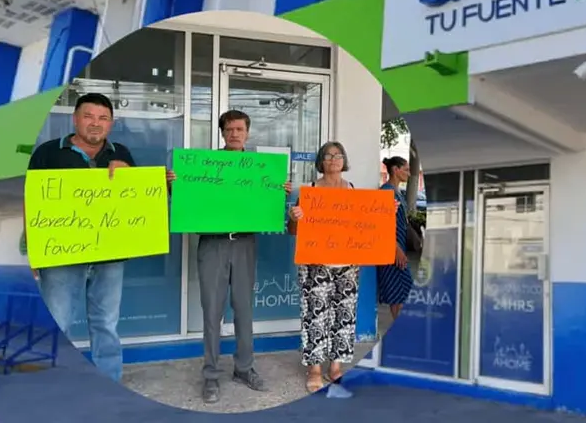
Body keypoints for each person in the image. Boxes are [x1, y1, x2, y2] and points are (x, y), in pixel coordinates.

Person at [166, 109, 292, 404]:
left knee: (244, 309)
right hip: (213, 244)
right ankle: (211, 375)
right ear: (222, 133)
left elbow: (269, 207)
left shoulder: (261, 169)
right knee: (212, 311)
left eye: (239, 129)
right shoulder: (205, 167)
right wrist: (175, 185)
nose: (234, 134)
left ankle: (244, 369)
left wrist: (280, 192)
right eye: (229, 129)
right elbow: (188, 202)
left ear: (247, 132)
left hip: (245, 243)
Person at [25, 93, 137, 383]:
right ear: (75, 118)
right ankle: (48, 387)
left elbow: (138, 203)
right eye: (89, 116)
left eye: (103, 118)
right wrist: (32, 251)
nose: (95, 124)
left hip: (110, 257)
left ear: (111, 123)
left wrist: (134, 177)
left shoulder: (121, 153)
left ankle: (108, 383)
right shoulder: (48, 153)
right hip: (61, 255)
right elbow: (30, 203)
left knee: (106, 325)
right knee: (57, 324)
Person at [288, 141, 360, 398]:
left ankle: (336, 367)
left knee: (344, 316)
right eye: (328, 155)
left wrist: (387, 214)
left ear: (344, 160)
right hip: (315, 264)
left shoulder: (353, 191)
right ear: (321, 161)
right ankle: (315, 371)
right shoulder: (309, 191)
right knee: (315, 317)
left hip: (348, 265)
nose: (333, 159)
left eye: (338, 155)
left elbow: (365, 224)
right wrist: (294, 218)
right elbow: (292, 231)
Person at [379, 156, 414, 320]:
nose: (409, 173)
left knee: (400, 296)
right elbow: (381, 224)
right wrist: (396, 249)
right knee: (399, 296)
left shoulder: (397, 192)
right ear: (395, 170)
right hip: (391, 252)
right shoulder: (386, 192)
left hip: (397, 250)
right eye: (406, 169)